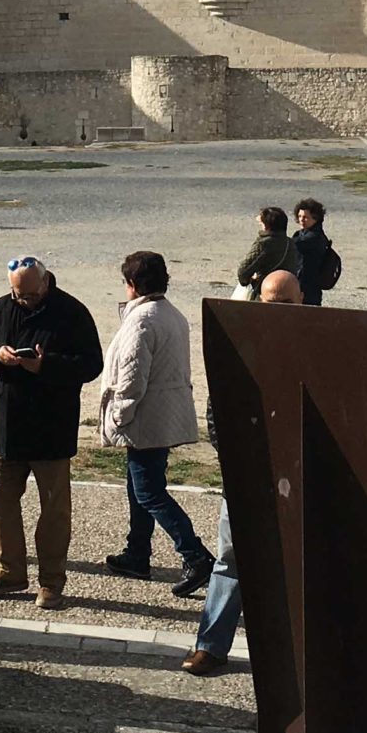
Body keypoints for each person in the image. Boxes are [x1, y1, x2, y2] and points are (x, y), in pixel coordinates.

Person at [184, 268, 306, 677]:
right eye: (271, 303)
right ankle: (211, 646)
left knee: (297, 566)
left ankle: (292, 659)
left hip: (299, 476)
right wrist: (236, 458)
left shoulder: (316, 346)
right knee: (231, 559)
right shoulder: (241, 346)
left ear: (302, 301)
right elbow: (217, 409)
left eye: (286, 303)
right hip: (245, 474)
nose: (278, 311)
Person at [0, 254, 105, 610]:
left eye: (28, 295)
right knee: (0, 501)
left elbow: (91, 364)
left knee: (54, 510)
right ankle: (11, 571)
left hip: (51, 427)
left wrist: (46, 365)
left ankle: (51, 582)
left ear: (45, 283)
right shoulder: (3, 307)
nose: (23, 301)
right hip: (7, 425)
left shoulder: (72, 312)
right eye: (18, 295)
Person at [99, 249, 214, 593]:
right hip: (164, 414)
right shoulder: (172, 314)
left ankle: (195, 555)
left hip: (146, 417)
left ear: (132, 284)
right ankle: (137, 552)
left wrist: (120, 413)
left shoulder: (142, 319)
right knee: (139, 487)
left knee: (149, 491)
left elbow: (133, 376)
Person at [234, 206, 299, 294]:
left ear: (266, 226)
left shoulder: (264, 243)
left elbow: (243, 273)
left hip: (266, 292)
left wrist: (252, 280)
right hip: (288, 291)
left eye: (261, 223)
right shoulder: (290, 243)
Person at [291, 198, 339, 306]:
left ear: (315, 219)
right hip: (300, 283)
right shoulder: (300, 234)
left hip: (309, 287)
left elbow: (294, 245)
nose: (301, 220)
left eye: (306, 217)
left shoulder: (315, 238)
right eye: (299, 217)